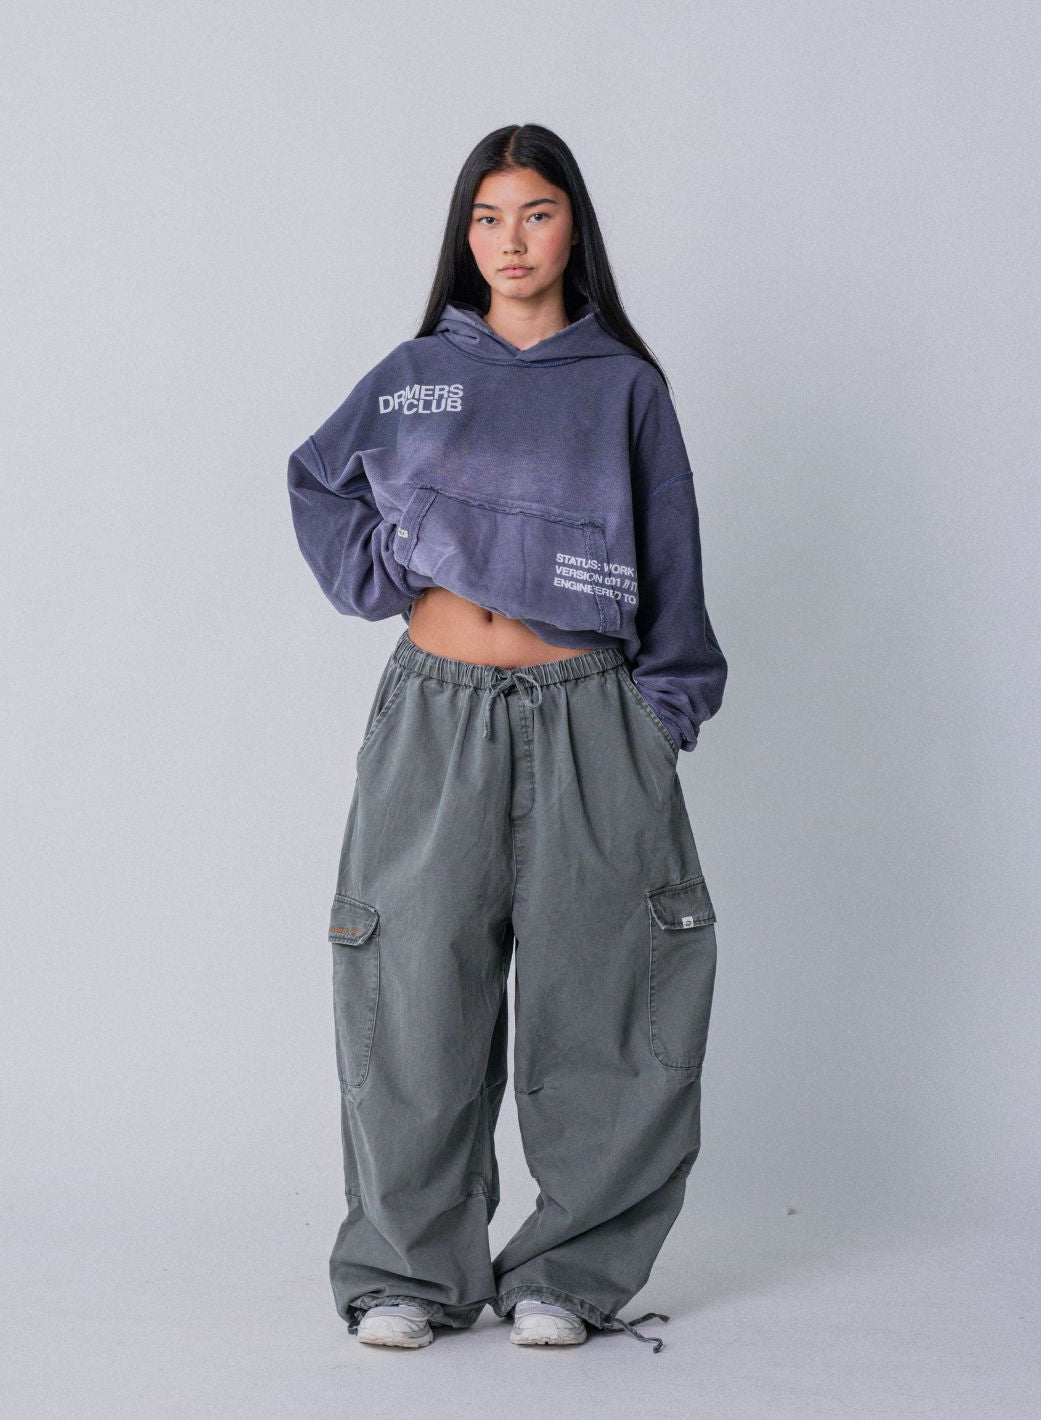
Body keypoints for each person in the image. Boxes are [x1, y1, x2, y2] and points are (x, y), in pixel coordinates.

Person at [287, 123, 728, 1355]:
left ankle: (571, 1273)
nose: (511, 240)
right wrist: (392, 564)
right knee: (412, 985)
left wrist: (657, 719)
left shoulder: (624, 385)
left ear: (573, 225)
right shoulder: (415, 374)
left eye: (535, 212)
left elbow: (675, 562)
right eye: (488, 217)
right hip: (435, 713)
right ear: (464, 233)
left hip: (590, 713)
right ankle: (406, 1271)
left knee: (605, 993)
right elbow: (317, 480)